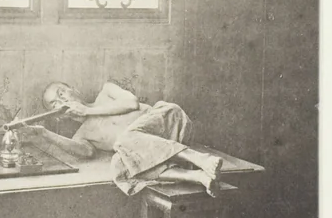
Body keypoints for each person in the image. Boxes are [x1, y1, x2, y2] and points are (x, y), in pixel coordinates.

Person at [17, 81, 224, 196]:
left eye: (61, 93)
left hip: (170, 122)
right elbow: (85, 152)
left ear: (74, 89)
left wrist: (88, 111)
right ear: (58, 115)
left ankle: (201, 159)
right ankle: (199, 176)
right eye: (54, 103)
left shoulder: (106, 92)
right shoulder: (83, 134)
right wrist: (44, 134)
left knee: (123, 141)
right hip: (155, 154)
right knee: (119, 166)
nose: (61, 100)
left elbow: (132, 103)